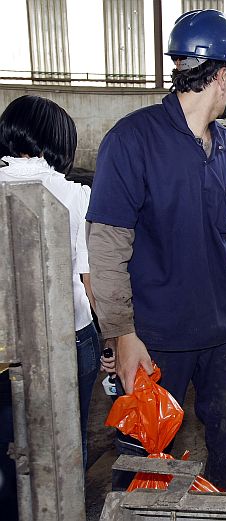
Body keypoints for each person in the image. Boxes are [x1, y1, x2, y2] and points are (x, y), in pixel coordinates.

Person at [86, 9, 226, 493]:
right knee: (144, 459)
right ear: (221, 74)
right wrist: (121, 334)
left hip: (224, 330)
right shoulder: (132, 141)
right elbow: (106, 247)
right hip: (156, 337)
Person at [0, 95, 101, 516]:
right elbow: (90, 278)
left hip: (5, 346)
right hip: (70, 335)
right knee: (65, 442)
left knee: (7, 447)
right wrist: (112, 340)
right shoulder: (77, 195)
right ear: (61, 142)